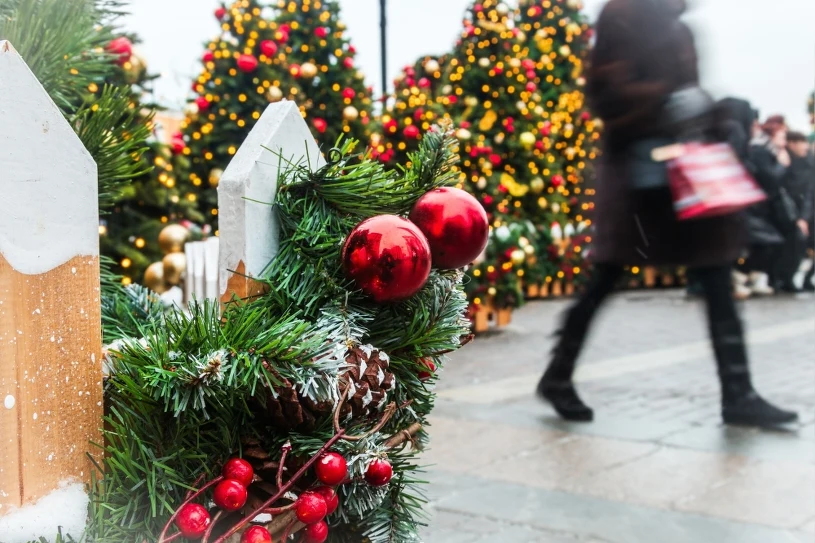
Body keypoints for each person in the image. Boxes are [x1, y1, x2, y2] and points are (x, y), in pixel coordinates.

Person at [536, 0, 798, 427]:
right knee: (606, 277)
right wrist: (666, 101)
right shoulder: (623, 14)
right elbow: (605, 93)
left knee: (715, 273)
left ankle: (739, 392)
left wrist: (707, 109)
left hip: (685, 171)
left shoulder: (679, 23)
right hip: (638, 178)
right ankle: (558, 375)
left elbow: (687, 92)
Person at [744, 120, 796, 293]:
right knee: (767, 244)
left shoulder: (773, 151)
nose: (785, 140)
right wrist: (782, 165)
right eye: (782, 136)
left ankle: (759, 278)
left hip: (770, 207)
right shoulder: (761, 151)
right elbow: (770, 179)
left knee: (772, 244)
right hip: (759, 207)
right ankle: (746, 276)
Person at [777, 131, 814, 291]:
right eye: (802, 142)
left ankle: (803, 279)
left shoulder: (807, 161)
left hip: (805, 210)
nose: (805, 146)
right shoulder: (788, 161)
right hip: (793, 211)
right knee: (796, 244)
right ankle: (785, 279)